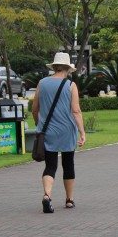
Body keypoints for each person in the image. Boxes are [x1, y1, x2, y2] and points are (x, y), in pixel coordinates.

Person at [31, 52, 86, 214]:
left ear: (54, 66)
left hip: (48, 131)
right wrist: (82, 132)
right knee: (68, 164)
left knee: (50, 165)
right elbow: (76, 111)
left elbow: (35, 109)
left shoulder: (42, 83)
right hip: (67, 131)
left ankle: (47, 195)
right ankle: (69, 200)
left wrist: (39, 124)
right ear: (68, 68)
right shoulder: (71, 85)